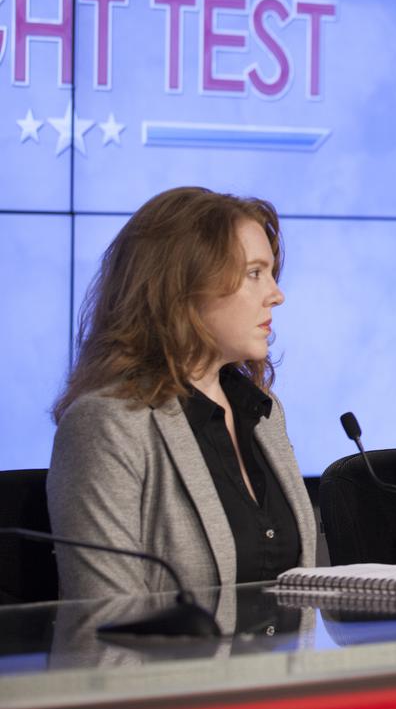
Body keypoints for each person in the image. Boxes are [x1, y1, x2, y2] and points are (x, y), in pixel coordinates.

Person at [48, 187, 316, 599]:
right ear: (184, 287)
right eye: (254, 273)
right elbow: (105, 624)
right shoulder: (106, 425)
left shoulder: (263, 413)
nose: (276, 295)